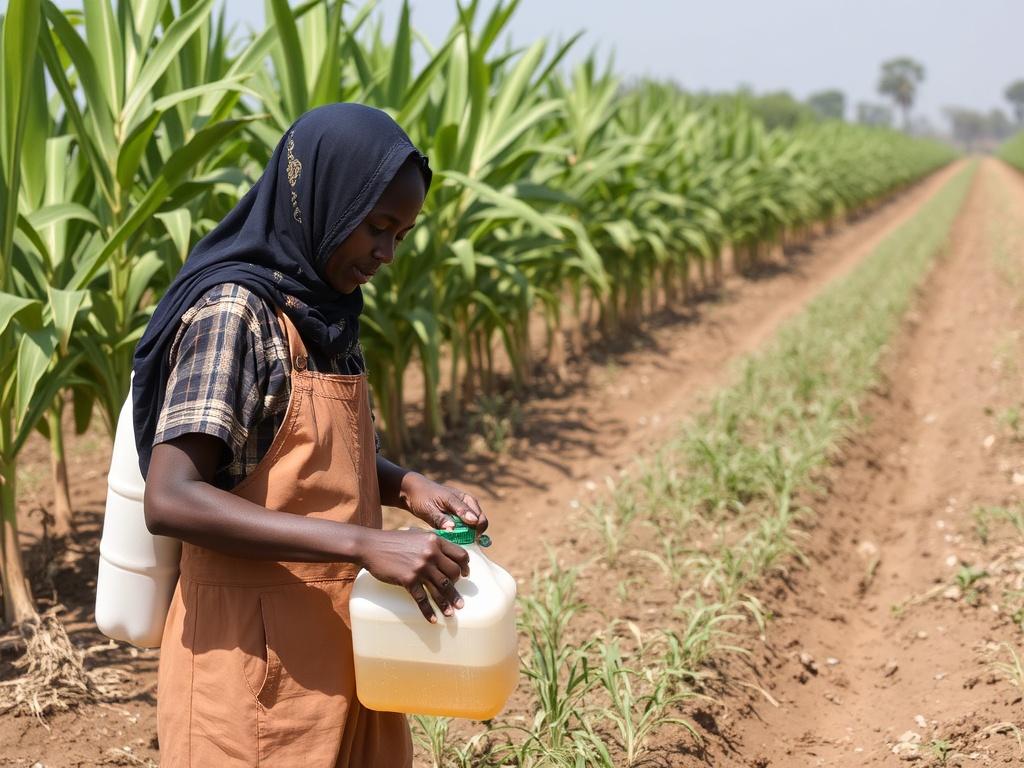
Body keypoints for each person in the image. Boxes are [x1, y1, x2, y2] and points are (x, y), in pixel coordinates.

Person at [131, 103, 487, 768]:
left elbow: (295, 447)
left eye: (400, 236)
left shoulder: (320, 310)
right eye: (377, 227)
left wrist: (406, 486)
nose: (385, 254)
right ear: (322, 198)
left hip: (345, 651)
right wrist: (361, 541)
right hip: (251, 672)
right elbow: (172, 497)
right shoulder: (234, 314)